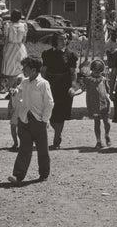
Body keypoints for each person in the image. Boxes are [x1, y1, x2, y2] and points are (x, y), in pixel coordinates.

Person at [8, 57, 54, 185]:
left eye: (25, 68)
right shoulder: (25, 82)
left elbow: (49, 103)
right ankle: (18, 175)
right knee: (24, 148)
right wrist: (14, 92)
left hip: (38, 120)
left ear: (34, 70)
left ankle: (44, 173)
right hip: (24, 120)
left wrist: (44, 120)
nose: (23, 70)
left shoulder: (43, 84)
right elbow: (19, 91)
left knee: (42, 149)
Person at [41, 32, 78, 149]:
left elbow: (73, 73)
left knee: (61, 113)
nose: (63, 41)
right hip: (50, 85)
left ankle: (57, 136)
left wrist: (73, 86)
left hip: (64, 86)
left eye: (65, 39)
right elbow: (43, 71)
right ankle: (57, 130)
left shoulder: (71, 55)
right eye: (61, 39)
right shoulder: (47, 54)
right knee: (50, 112)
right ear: (55, 41)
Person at [76, 58, 112, 149]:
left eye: (99, 70)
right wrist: (74, 93)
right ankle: (98, 141)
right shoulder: (87, 80)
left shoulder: (103, 79)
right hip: (93, 104)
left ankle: (107, 135)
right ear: (91, 69)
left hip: (104, 103)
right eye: (95, 70)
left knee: (106, 122)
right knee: (97, 122)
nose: (97, 72)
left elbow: (108, 90)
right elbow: (81, 88)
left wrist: (111, 96)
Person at [2, 10, 28, 91]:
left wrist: (4, 49)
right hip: (20, 47)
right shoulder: (24, 25)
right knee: (20, 70)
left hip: (10, 47)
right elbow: (24, 39)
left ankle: (11, 90)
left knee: (10, 72)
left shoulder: (8, 25)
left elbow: (6, 39)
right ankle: (17, 89)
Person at [7, 74, 24, 150]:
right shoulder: (14, 89)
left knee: (21, 129)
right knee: (13, 128)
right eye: (17, 80)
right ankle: (16, 143)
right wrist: (9, 110)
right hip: (15, 111)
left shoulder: (25, 89)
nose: (18, 82)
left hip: (22, 111)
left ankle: (20, 143)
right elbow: (11, 99)